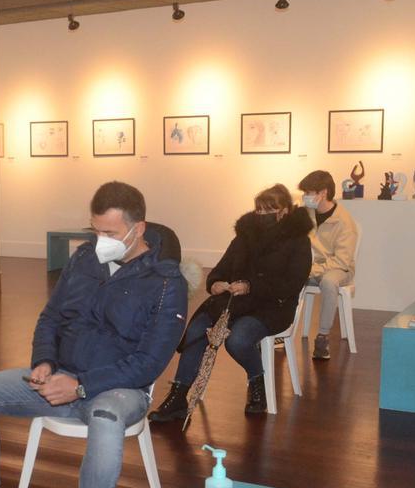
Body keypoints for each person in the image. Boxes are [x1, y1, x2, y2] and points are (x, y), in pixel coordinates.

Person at [0, 182, 188, 488]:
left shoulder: (167, 283)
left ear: (140, 229)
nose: (101, 239)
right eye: (95, 230)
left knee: (105, 416)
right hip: (60, 379)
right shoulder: (85, 259)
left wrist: (82, 386)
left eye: (111, 232)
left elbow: (149, 363)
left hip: (118, 391)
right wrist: (44, 361)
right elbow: (51, 318)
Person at [149, 184, 313, 422]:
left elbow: (291, 285)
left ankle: (257, 382)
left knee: (238, 340)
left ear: (284, 211)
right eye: (259, 210)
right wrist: (215, 284)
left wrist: (251, 286)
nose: (262, 216)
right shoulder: (245, 237)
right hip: (234, 303)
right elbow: (220, 270)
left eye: (269, 210)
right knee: (195, 332)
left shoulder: (298, 241)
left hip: (273, 306)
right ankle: (178, 396)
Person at [298, 170, 358, 360]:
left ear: (323, 193)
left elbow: (342, 260)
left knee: (329, 283)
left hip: (340, 269)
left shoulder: (344, 222)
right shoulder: (306, 214)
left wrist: (310, 270)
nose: (305, 197)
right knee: (287, 276)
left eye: (308, 192)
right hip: (313, 265)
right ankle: (280, 331)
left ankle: (323, 336)